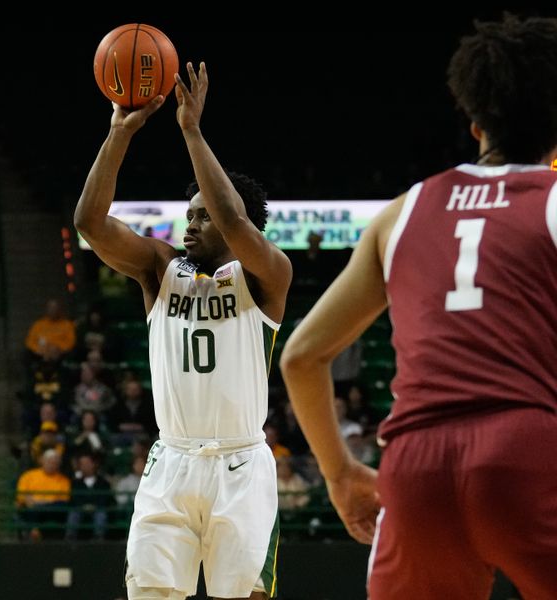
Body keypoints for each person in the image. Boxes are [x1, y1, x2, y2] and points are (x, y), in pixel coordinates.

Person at [279, 15, 557, 600]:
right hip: (525, 450)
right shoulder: (551, 203)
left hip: (413, 466)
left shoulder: (403, 212)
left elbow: (301, 356)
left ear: (474, 119)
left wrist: (341, 473)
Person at [75, 62, 291, 600]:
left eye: (200, 216)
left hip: (239, 466)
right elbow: (89, 224)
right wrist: (118, 135)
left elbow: (237, 224)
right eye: (187, 215)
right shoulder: (159, 269)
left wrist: (191, 131)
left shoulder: (267, 275)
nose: (188, 225)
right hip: (170, 460)